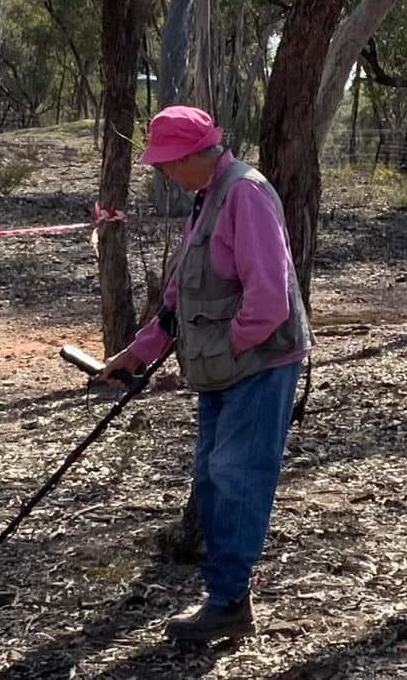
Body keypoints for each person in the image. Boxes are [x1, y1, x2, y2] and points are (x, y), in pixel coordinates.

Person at [99, 105, 312, 642]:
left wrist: (228, 348)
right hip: (223, 369)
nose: (164, 173)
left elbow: (268, 302)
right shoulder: (205, 200)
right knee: (214, 479)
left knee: (237, 480)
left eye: (169, 163)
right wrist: (138, 353)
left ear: (199, 153)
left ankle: (229, 603)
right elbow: (178, 300)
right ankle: (226, 594)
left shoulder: (245, 193)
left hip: (258, 366)